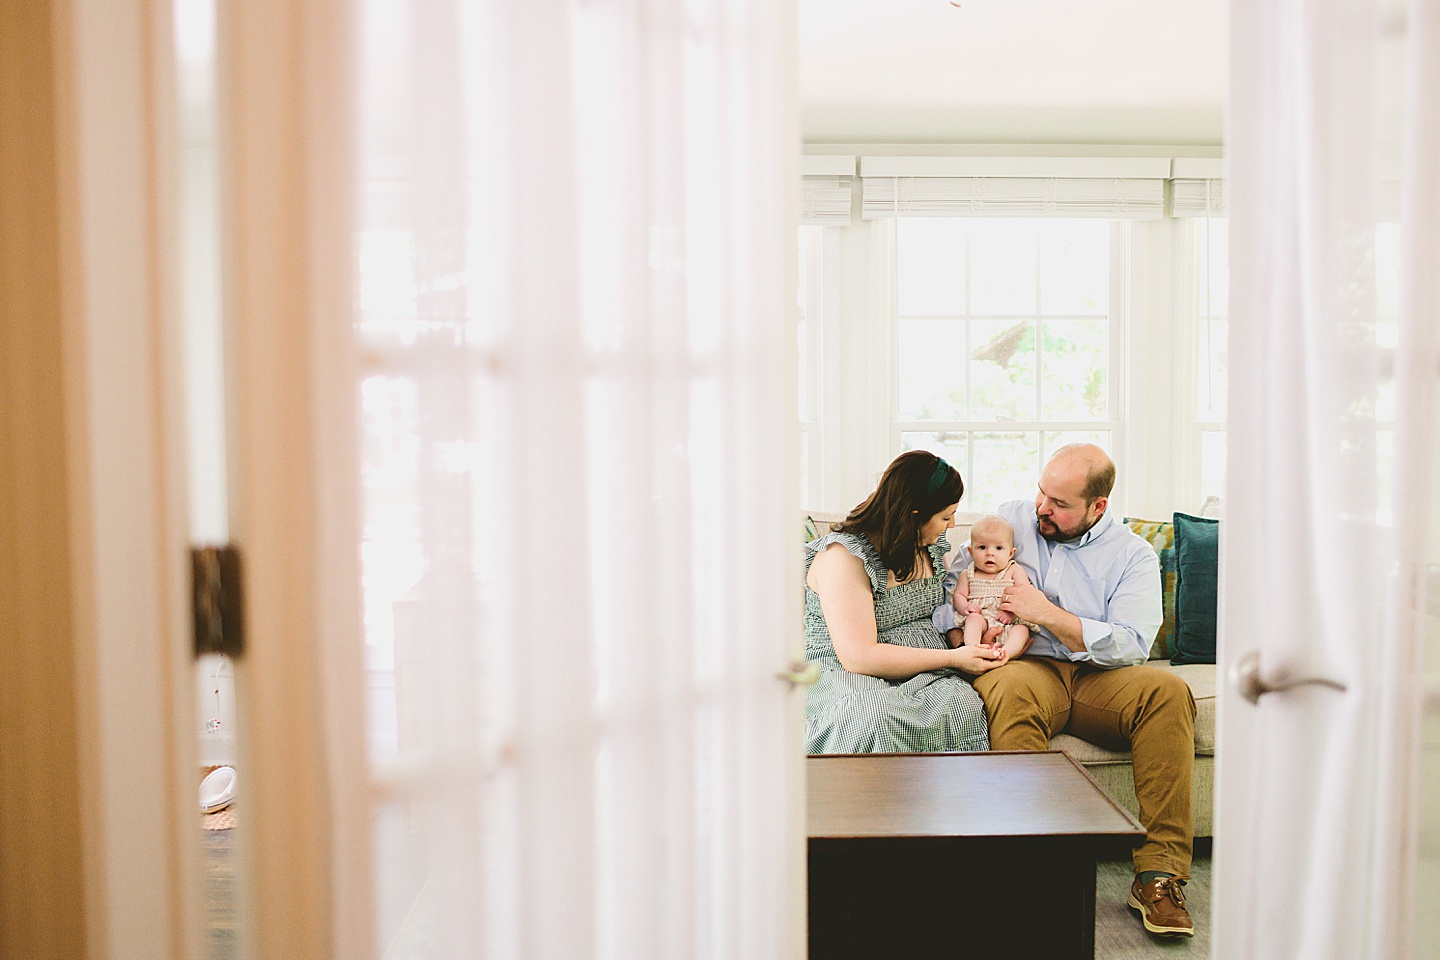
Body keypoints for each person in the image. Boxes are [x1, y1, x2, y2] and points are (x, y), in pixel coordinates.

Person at [962, 443, 1198, 939]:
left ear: (1098, 507)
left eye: (1060, 503)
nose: (1042, 509)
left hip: (1099, 676)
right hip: (1028, 664)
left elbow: (1132, 644)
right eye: (1042, 493)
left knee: (1167, 692)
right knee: (1006, 687)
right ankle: (1029, 871)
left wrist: (1046, 613)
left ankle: (1158, 876)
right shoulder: (1012, 520)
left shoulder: (1134, 555)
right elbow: (957, 576)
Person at [804, 451, 1008, 753]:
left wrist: (972, 638)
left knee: (962, 705)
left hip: (923, 665)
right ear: (913, 515)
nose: (952, 525)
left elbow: (945, 610)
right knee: (870, 716)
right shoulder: (844, 558)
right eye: (945, 516)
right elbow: (859, 657)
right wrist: (954, 658)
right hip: (844, 669)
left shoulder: (927, 545)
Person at [931, 514, 1034, 660]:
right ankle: (974, 649)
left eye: (998, 548)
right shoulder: (968, 574)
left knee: (1022, 630)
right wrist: (965, 607)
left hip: (1009, 621)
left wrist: (1011, 613)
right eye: (982, 547)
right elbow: (958, 596)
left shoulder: (1013, 570)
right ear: (971, 552)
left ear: (1011, 553)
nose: (990, 553)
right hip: (982, 620)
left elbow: (1024, 593)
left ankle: (1006, 654)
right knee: (973, 619)